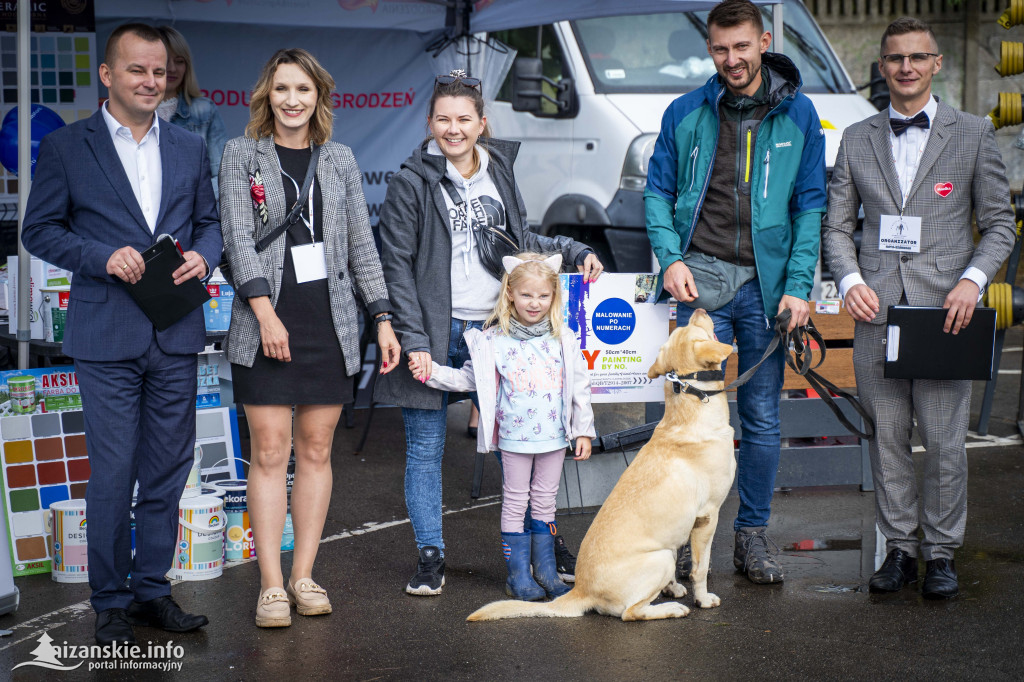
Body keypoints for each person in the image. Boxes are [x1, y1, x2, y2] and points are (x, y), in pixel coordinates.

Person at [22, 23, 221, 645]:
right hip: (106, 331)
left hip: (176, 329)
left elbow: (210, 225)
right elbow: (40, 230)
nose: (150, 82)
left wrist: (205, 259)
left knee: (167, 468)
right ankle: (109, 600)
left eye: (160, 72)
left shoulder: (189, 145)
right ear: (107, 75)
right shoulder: (66, 148)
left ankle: (151, 593)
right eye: (137, 70)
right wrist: (100, 256)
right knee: (112, 470)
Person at [375, 70, 603, 596]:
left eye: (463, 120)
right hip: (433, 331)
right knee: (425, 447)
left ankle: (542, 540)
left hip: (499, 330)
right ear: (429, 122)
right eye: (442, 120)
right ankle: (431, 555)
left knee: (523, 442)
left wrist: (573, 250)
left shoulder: (499, 168)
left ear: (482, 123)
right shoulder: (411, 182)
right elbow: (397, 268)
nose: (452, 130)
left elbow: (519, 240)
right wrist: (414, 341)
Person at [822, 17, 1016, 599]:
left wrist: (973, 283)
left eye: (917, 57)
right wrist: (851, 278)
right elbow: (835, 228)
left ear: (936, 65)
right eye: (895, 58)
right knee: (887, 440)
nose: (905, 67)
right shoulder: (856, 138)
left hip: (944, 316)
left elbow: (1000, 225)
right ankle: (899, 549)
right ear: (882, 69)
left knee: (945, 441)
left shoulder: (975, 134)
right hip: (875, 313)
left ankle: (940, 553)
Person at [644, 0, 826, 585]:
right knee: (687, 418)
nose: (732, 60)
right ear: (711, 50)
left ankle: (751, 537)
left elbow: (810, 205)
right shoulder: (685, 112)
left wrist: (799, 287)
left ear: (764, 42)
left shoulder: (801, 115)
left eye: (742, 47)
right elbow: (655, 193)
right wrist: (670, 258)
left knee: (761, 419)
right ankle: (676, 541)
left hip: (769, 292)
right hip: (703, 284)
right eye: (721, 49)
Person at [219, 48, 400, 627]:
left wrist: (383, 317)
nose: (292, 100)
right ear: (265, 96)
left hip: (330, 322)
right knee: (270, 451)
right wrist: (266, 314)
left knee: (318, 450)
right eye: (281, 89)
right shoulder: (241, 155)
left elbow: (360, 246)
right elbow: (236, 238)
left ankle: (304, 574)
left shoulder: (340, 159)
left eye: (303, 89)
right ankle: (271, 584)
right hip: (264, 319)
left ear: (319, 96)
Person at [413, 253, 595, 600]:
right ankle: (518, 577)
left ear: (554, 297)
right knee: (515, 503)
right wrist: (432, 372)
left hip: (555, 438)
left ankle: (545, 572)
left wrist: (583, 429)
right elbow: (468, 379)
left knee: (544, 504)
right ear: (510, 293)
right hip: (514, 439)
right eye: (527, 295)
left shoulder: (564, 338)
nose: (535, 303)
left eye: (543, 296)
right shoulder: (492, 341)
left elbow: (581, 388)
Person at [155, 26, 227, 197]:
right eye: (165, 60)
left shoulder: (204, 110)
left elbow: (222, 173)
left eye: (179, 61)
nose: (172, 68)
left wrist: (196, 205)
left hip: (191, 216)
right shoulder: (133, 111)